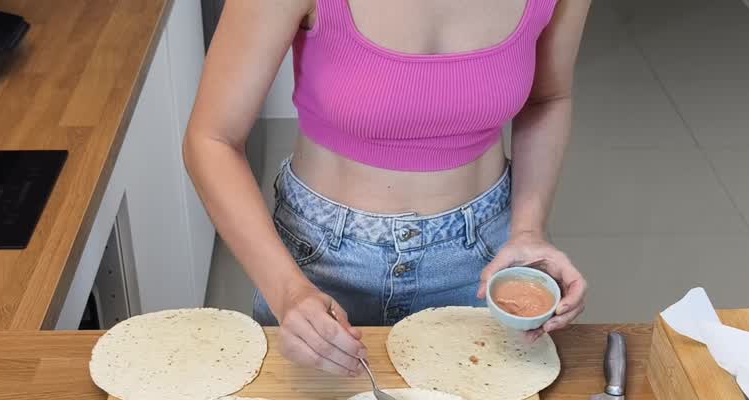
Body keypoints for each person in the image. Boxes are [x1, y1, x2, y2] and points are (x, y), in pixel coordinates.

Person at [185, 0, 590, 376]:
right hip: (319, 262)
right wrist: (287, 290)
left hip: (484, 259)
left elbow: (548, 98)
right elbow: (212, 139)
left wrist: (528, 230)